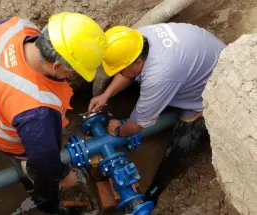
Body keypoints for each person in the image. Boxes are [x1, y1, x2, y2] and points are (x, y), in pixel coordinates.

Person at [88, 23, 226, 206]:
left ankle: (157, 187)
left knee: (183, 136)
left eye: (120, 69)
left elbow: (137, 124)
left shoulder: (159, 76)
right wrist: (106, 94)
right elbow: (127, 71)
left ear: (139, 63)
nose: (119, 73)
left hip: (217, 85)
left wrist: (120, 131)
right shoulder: (137, 39)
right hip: (205, 59)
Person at [0, 12, 107, 214]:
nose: (73, 75)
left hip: (0, 106)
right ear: (56, 65)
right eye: (72, 71)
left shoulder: (17, 26)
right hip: (12, 142)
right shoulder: (37, 109)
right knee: (40, 180)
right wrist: (62, 176)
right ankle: (48, 205)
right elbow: (43, 159)